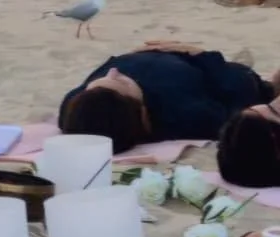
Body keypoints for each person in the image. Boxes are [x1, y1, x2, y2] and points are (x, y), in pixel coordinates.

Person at [59, 41, 278, 154]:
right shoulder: (184, 113)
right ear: (141, 111)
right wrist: (200, 54)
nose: (113, 72)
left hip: (160, 55)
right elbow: (239, 102)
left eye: (99, 81)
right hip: (202, 66)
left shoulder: (77, 105)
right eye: (122, 83)